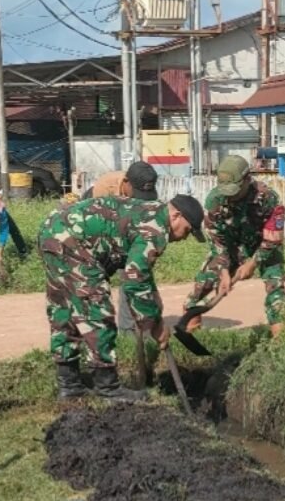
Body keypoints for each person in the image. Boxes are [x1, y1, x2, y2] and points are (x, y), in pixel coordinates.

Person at [38, 193, 206, 402]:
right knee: (97, 313)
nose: (183, 238)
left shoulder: (153, 211)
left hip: (52, 231)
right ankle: (107, 387)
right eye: (187, 230)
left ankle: (69, 385)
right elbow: (135, 279)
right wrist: (154, 324)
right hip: (75, 244)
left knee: (64, 309)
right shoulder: (155, 229)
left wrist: (154, 298)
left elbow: (139, 269)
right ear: (176, 216)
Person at [185, 155, 285, 337]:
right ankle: (191, 331)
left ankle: (281, 344)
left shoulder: (269, 199)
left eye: (235, 190)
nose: (230, 196)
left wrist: (253, 263)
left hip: (264, 246)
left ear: (248, 179)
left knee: (276, 290)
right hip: (232, 247)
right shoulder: (215, 200)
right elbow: (217, 240)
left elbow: (273, 238)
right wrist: (224, 270)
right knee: (204, 283)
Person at [82, 161, 159, 331]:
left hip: (126, 228)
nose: (141, 199)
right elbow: (103, 229)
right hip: (97, 226)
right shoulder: (105, 190)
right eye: (138, 193)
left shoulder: (142, 186)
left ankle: (129, 328)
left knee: (132, 272)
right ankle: (95, 327)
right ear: (126, 183)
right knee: (97, 277)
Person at [81, 160, 158, 201]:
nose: (137, 197)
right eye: (136, 192)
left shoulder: (145, 182)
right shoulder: (106, 188)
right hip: (92, 200)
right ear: (126, 181)